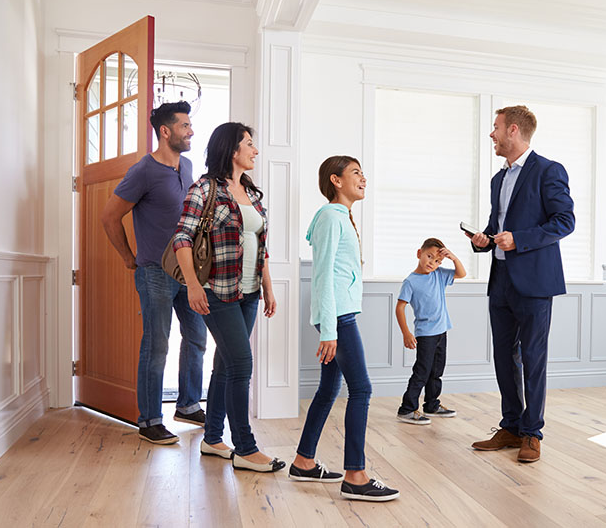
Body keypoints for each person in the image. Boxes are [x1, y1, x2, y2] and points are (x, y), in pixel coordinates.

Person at [172, 122, 284, 473]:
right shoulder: (205, 188)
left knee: (224, 364)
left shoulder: (250, 191)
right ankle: (246, 448)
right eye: (250, 144)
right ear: (232, 149)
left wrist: (267, 285)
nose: (255, 150)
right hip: (217, 292)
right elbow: (182, 239)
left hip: (249, 291)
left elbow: (259, 245)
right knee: (241, 364)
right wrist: (192, 285)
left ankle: (212, 438)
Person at [289, 156, 399, 502]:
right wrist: (329, 330)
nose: (363, 178)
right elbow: (322, 275)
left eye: (363, 172)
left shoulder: (340, 218)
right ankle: (355, 474)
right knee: (362, 390)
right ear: (336, 180)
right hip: (339, 319)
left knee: (327, 390)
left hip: (339, 316)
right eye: (355, 173)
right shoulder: (329, 218)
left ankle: (303, 460)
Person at [468, 105, 575, 463]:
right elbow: (497, 224)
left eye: (495, 128)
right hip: (500, 281)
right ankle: (511, 426)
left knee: (533, 358)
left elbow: (565, 221)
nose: (491, 134)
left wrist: (520, 239)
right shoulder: (498, 179)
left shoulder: (548, 171)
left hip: (534, 282)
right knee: (503, 357)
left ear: (513, 130)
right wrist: (482, 239)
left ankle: (532, 433)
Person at [101, 101, 207, 445]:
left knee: (197, 339)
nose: (190, 131)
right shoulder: (143, 171)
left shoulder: (188, 166)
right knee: (157, 345)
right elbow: (109, 217)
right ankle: (149, 420)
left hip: (188, 273)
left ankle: (189, 404)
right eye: (184, 126)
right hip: (155, 272)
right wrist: (128, 257)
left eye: (190, 126)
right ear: (165, 131)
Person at [396, 238, 466, 425]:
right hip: (425, 333)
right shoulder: (410, 282)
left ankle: (432, 405)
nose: (432, 263)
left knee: (436, 371)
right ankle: (407, 409)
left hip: (442, 331)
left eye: (437, 261)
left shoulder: (439, 274)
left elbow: (462, 273)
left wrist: (453, 257)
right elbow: (400, 307)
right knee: (422, 371)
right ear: (419, 253)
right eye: (429, 257)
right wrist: (406, 333)